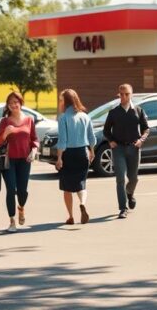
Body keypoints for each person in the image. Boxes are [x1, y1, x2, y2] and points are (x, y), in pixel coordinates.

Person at [103, 83, 149, 219]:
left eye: (126, 94)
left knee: (134, 178)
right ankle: (123, 208)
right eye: (121, 94)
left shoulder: (138, 111)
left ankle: (130, 193)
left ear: (131, 95)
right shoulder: (113, 112)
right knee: (120, 179)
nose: (123, 96)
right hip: (119, 149)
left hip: (134, 148)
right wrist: (111, 140)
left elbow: (146, 128)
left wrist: (142, 139)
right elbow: (106, 130)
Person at [0, 91, 38, 233]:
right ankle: (12, 221)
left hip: (25, 160)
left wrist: (34, 151)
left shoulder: (29, 120)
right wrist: (5, 133)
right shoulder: (5, 121)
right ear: (8, 105)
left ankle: (21, 208)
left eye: (16, 102)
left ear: (21, 103)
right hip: (8, 160)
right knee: (11, 189)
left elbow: (34, 139)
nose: (13, 105)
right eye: (11, 103)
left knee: (22, 191)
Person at [54, 88, 95, 225]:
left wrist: (59, 158)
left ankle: (71, 216)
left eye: (61, 100)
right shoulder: (85, 116)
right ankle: (82, 203)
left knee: (67, 188)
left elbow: (62, 140)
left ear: (65, 102)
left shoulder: (64, 118)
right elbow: (91, 137)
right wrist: (92, 151)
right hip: (83, 152)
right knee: (81, 184)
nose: (60, 102)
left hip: (69, 154)